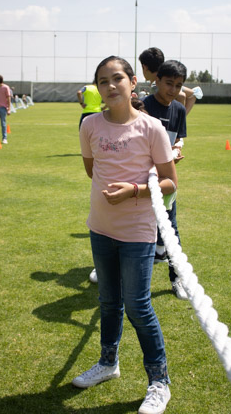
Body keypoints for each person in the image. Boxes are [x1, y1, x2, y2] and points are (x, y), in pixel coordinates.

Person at [73, 55, 177, 414]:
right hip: (100, 228)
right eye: (103, 81)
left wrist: (133, 190)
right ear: (97, 89)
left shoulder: (152, 128)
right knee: (108, 301)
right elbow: (93, 171)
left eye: (117, 78)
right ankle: (108, 363)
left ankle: (159, 382)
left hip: (138, 232)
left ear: (133, 83)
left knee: (138, 306)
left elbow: (169, 184)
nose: (110, 85)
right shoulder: (89, 125)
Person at [143, 60, 188, 301]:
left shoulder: (179, 109)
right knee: (134, 230)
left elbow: (179, 138)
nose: (173, 90)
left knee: (171, 229)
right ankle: (113, 271)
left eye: (178, 85)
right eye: (168, 83)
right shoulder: (143, 107)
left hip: (166, 181)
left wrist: (176, 150)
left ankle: (176, 278)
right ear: (157, 80)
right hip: (142, 180)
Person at [138, 47, 203, 115]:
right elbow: (194, 93)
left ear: (144, 67)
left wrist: (179, 118)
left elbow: (182, 95)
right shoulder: (164, 82)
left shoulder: (157, 84)